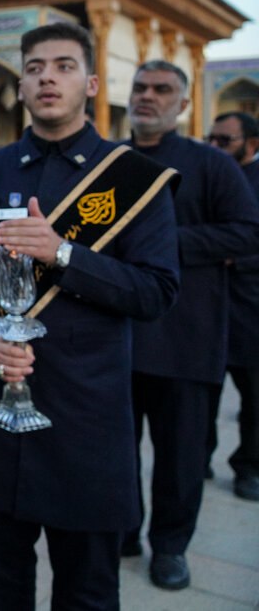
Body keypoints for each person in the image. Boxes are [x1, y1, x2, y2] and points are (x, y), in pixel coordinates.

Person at [0, 22, 180, 610]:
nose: (48, 77)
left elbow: (156, 291)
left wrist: (64, 253)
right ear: (19, 84)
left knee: (89, 592)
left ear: (91, 82)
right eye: (36, 66)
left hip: (86, 422)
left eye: (65, 66)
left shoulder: (134, 182)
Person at [121, 61, 259, 589]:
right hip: (120, 338)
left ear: (183, 104)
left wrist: (163, 243)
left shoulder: (212, 166)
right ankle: (124, 531)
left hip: (187, 341)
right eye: (139, 88)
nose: (147, 97)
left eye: (162, 90)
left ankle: (170, 547)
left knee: (180, 460)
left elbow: (247, 232)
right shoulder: (111, 163)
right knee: (116, 451)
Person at [205, 111, 259, 502]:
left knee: (253, 395)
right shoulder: (207, 173)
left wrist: (234, 257)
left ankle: (249, 466)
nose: (216, 147)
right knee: (198, 394)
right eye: (213, 139)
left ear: (252, 144)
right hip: (205, 305)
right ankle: (197, 457)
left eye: (226, 141)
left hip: (250, 308)